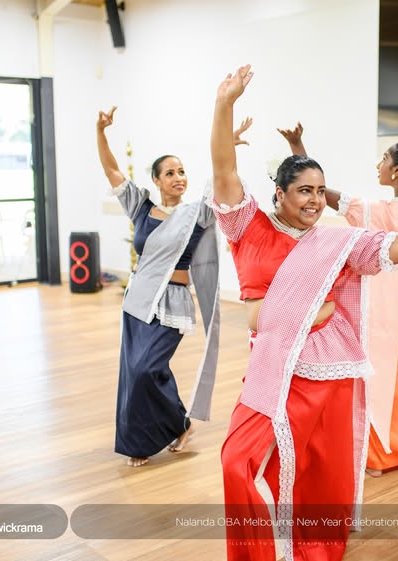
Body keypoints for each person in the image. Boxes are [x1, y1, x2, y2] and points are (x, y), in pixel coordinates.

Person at [210, 64, 398, 561]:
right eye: (304, 190)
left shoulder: (334, 240)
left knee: (318, 467)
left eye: (319, 191)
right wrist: (224, 104)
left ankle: (311, 546)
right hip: (275, 363)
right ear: (279, 193)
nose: (315, 201)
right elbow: (224, 172)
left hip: (329, 367)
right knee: (239, 461)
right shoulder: (248, 227)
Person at [277, 91, 398, 477]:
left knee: (374, 377)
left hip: (376, 308)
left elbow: (320, 194)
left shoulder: (374, 210)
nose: (379, 164)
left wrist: (297, 147)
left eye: (384, 160)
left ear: (397, 172)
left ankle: (377, 455)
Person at [97, 105, 251, 467]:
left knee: (147, 369)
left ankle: (175, 425)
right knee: (135, 372)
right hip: (137, 303)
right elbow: (112, 170)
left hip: (173, 304)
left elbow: (221, 177)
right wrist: (100, 132)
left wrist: (228, 144)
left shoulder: (197, 212)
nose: (178, 177)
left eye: (182, 171)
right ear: (156, 180)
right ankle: (158, 435)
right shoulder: (141, 207)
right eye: (170, 173)